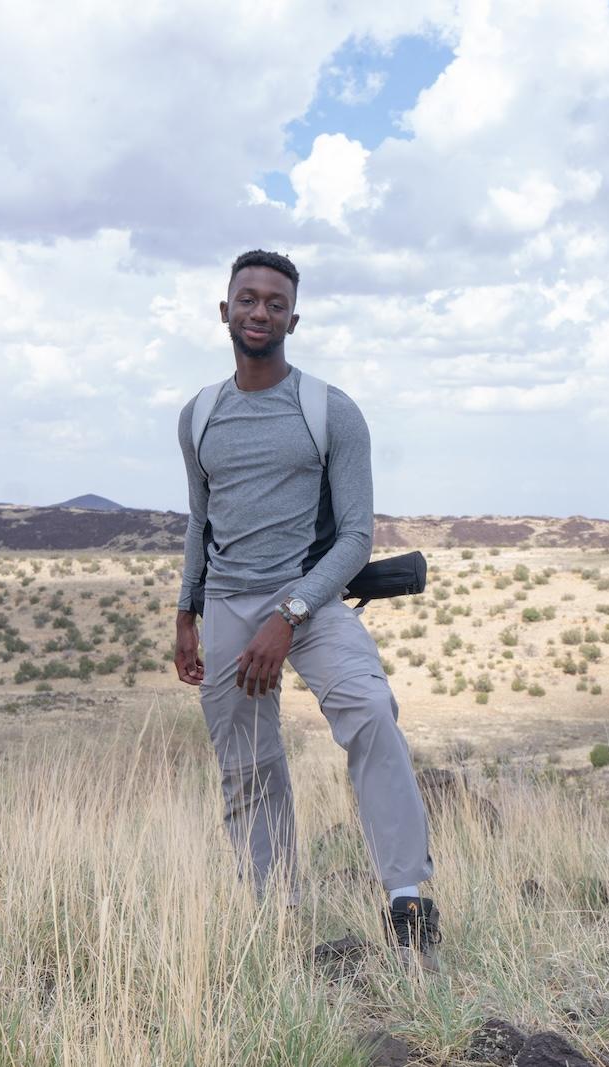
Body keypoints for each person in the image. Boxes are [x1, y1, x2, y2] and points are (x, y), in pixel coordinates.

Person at [173, 249, 441, 971]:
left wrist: (289, 611)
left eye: (275, 302)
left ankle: (409, 895)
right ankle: (275, 916)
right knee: (248, 765)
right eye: (248, 298)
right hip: (226, 601)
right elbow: (201, 520)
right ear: (223, 308)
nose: (260, 312)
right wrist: (185, 612)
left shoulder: (330, 410)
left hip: (311, 597)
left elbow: (357, 535)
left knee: (369, 709)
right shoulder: (199, 415)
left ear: (295, 315)